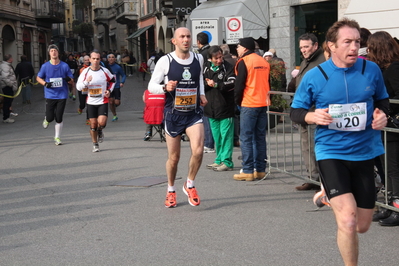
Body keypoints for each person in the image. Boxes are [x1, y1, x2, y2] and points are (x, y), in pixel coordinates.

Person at [290, 18, 389, 265]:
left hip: (366, 152)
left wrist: (381, 115)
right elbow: (296, 111)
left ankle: (327, 196)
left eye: (357, 42)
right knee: (348, 220)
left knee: (363, 226)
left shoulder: (371, 70)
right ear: (332, 46)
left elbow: (382, 101)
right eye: (348, 42)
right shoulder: (316, 76)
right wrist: (312, 116)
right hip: (331, 152)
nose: (354, 47)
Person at [148, 27, 208, 208]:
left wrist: (202, 94)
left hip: (193, 113)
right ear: (174, 41)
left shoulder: (199, 58)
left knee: (198, 151)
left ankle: (189, 184)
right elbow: (152, 86)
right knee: (174, 158)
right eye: (182, 37)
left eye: (188, 36)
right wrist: (165, 88)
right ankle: (171, 189)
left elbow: (199, 80)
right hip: (173, 114)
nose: (186, 39)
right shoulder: (165, 61)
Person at [367, 31, 399, 226]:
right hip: (384, 125)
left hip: (392, 123)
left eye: (371, 48)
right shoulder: (380, 69)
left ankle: (396, 207)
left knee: (394, 169)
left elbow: (395, 97)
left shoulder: (394, 68)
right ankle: (388, 205)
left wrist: (384, 108)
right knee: (386, 167)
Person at [233, 37, 270, 181]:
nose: (237, 48)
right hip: (263, 102)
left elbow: (239, 84)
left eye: (238, 46)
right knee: (260, 137)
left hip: (249, 102)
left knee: (246, 137)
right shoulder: (263, 61)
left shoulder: (244, 61)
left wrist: (237, 103)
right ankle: (260, 170)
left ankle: (248, 170)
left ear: (245, 48)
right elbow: (268, 82)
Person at [294, 33, 326, 191]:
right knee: (306, 146)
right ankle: (312, 177)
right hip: (305, 112)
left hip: (315, 112)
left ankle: (322, 180)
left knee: (316, 147)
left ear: (315, 45)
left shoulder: (322, 61)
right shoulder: (307, 61)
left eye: (306, 47)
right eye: (301, 47)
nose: (303, 50)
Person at [203, 45, 236, 171]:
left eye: (220, 57)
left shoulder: (228, 67)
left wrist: (216, 84)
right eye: (216, 58)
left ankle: (227, 162)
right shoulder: (205, 67)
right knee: (217, 136)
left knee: (226, 135)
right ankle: (219, 159)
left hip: (225, 108)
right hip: (210, 108)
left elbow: (232, 83)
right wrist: (207, 83)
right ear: (210, 58)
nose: (219, 60)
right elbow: (200, 82)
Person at [76, 50, 115, 153]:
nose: (95, 61)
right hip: (91, 101)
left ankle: (100, 130)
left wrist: (109, 90)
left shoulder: (104, 71)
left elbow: (113, 80)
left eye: (97, 59)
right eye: (93, 59)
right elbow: (78, 87)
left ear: (100, 59)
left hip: (102, 100)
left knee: (101, 122)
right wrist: (86, 82)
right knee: (93, 124)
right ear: (89, 60)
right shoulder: (85, 72)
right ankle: (95, 144)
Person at [37, 44, 74, 145]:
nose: (54, 52)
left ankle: (57, 137)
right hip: (50, 95)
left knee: (59, 117)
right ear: (49, 53)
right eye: (51, 51)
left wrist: (68, 79)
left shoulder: (64, 66)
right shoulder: (45, 66)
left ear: (58, 53)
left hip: (62, 94)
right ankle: (47, 119)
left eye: (55, 51)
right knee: (50, 117)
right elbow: (38, 78)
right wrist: (45, 83)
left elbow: (71, 79)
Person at [197, 32, 214, 153]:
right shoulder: (211, 51)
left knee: (206, 116)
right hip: (214, 86)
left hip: (206, 88)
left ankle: (209, 143)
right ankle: (211, 142)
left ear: (198, 42)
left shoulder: (201, 55)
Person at [220, 43, 240, 147]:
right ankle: (235, 138)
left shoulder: (225, 64)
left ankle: (228, 140)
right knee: (235, 116)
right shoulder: (235, 61)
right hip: (234, 92)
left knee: (227, 118)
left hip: (225, 93)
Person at [107, 53, 126, 122]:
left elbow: (123, 75)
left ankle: (115, 105)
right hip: (109, 87)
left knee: (117, 102)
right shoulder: (105, 67)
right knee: (111, 102)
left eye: (113, 57)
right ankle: (114, 115)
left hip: (116, 86)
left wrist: (122, 82)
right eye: (110, 57)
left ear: (115, 59)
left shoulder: (118, 67)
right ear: (108, 59)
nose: (111, 58)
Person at [0, 54, 18, 123]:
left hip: (7, 86)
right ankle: (6, 117)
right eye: (12, 58)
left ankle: (7, 116)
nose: (13, 59)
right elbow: (5, 77)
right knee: (7, 102)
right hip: (7, 86)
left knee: (8, 101)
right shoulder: (5, 66)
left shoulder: (6, 66)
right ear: (9, 59)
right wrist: (11, 84)